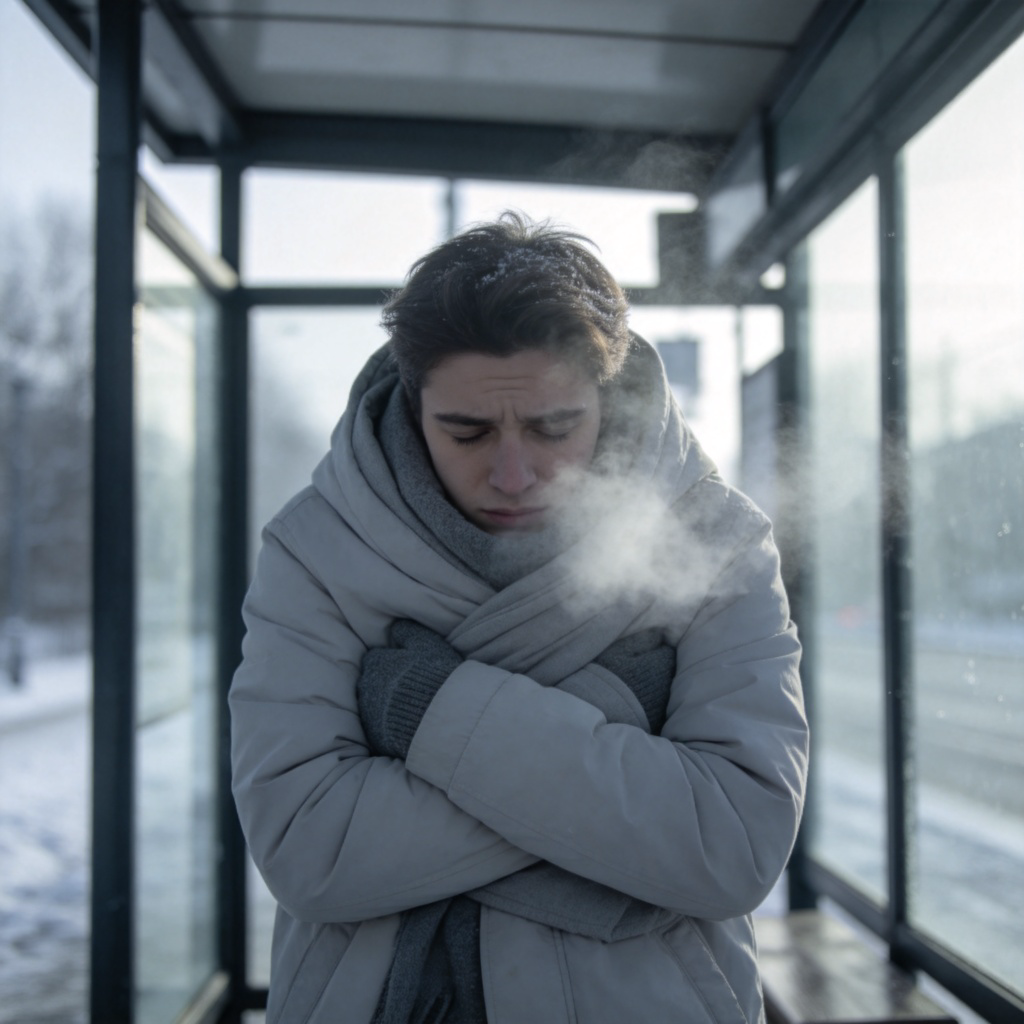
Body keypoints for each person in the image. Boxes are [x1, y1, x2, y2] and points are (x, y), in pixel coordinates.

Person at [229, 211, 808, 1024]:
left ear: (604, 401)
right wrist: (618, 720)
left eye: (553, 428)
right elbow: (310, 851)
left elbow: (731, 846)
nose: (512, 473)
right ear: (411, 399)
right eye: (465, 431)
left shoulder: (716, 539)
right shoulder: (315, 548)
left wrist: (421, 711)